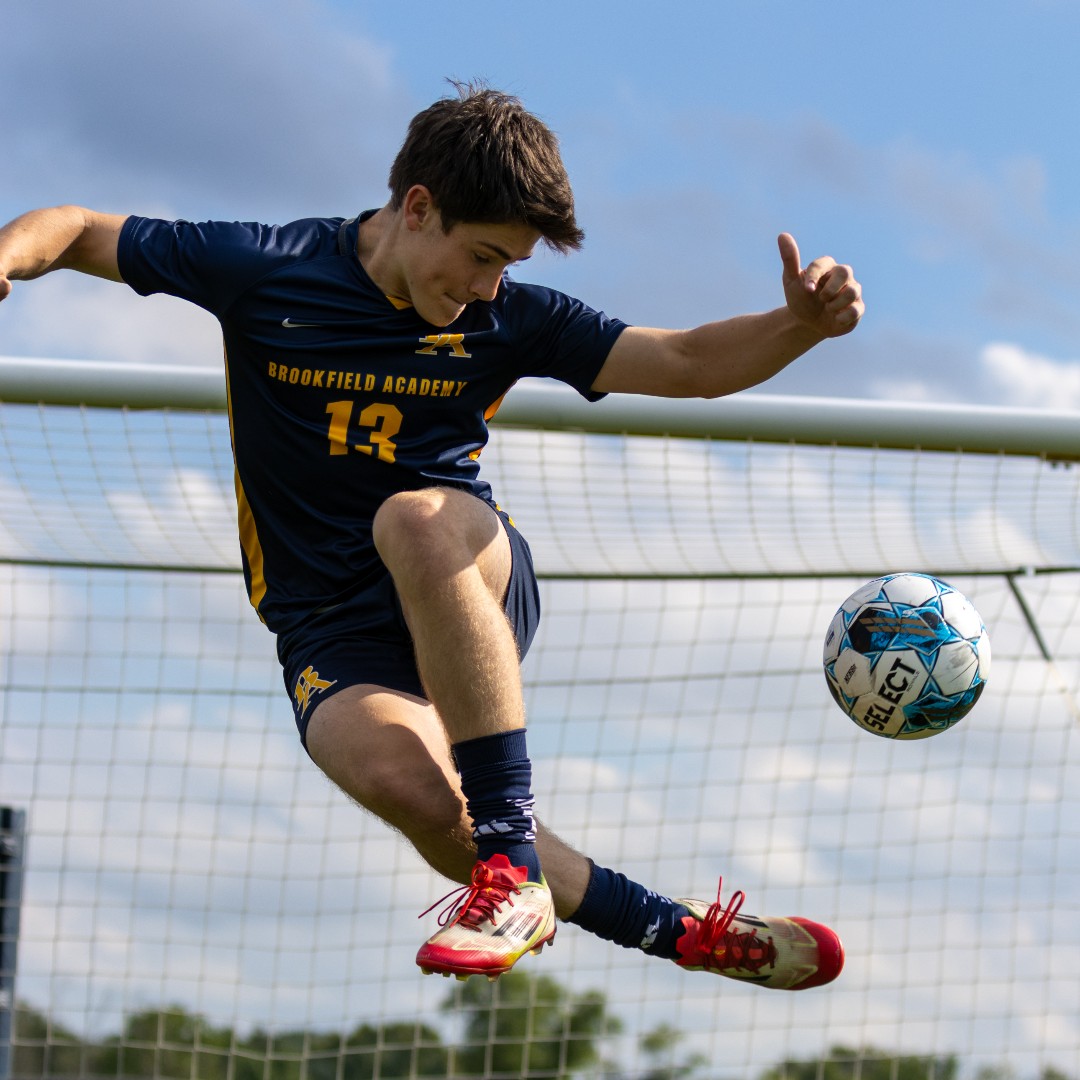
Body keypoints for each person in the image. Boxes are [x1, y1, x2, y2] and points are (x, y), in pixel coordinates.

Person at [0, 81, 863, 989]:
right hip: (327, 624)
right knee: (410, 790)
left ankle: (510, 872)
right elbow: (77, 229)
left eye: (509, 265)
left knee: (409, 517)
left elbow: (686, 362)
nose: (491, 285)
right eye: (484, 255)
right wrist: (8, 256)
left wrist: (799, 327)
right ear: (418, 208)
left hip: (464, 569)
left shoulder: (508, 317)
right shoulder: (265, 267)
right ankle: (672, 930)